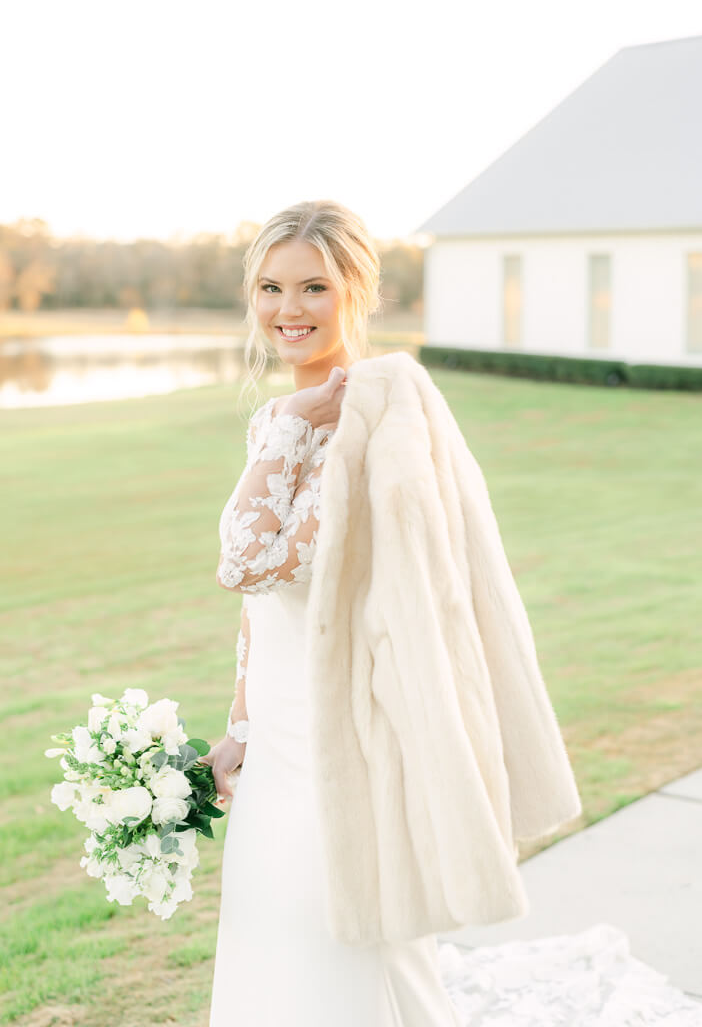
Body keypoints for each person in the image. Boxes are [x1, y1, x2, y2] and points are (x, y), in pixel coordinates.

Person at [202, 199, 465, 1025]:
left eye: (313, 287)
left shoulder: (385, 417)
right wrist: (240, 725)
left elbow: (246, 556)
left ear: (358, 289)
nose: (288, 311)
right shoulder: (276, 418)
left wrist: (285, 427)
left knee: (342, 945)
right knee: (270, 935)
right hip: (278, 730)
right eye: (271, 289)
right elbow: (258, 599)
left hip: (345, 726)